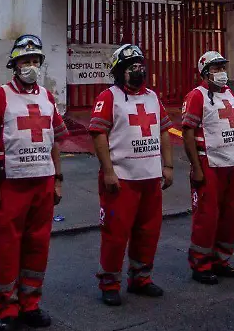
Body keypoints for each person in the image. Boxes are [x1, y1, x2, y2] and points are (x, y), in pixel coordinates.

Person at [0, 35, 67, 331]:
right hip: (11, 184)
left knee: (38, 245)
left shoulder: (47, 97)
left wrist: (58, 179)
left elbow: (55, 141)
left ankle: (31, 304)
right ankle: (7, 309)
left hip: (43, 182)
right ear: (14, 65)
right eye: (25, 61)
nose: (30, 66)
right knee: (8, 247)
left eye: (35, 61)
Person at [89, 44, 174, 306]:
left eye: (140, 66)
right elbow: (98, 134)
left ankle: (141, 279)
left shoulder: (152, 97)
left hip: (150, 179)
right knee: (115, 234)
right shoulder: (109, 97)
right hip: (122, 180)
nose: (137, 71)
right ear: (119, 72)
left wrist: (168, 166)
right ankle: (109, 283)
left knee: (148, 232)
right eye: (130, 67)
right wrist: (109, 171)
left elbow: (163, 131)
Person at [181, 51, 234, 284]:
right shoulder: (196, 96)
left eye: (222, 67)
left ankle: (221, 260)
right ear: (205, 73)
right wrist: (196, 167)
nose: (221, 72)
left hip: (232, 164)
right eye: (216, 68)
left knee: (230, 216)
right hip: (209, 164)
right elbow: (187, 132)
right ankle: (201, 263)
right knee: (207, 217)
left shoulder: (230, 95)